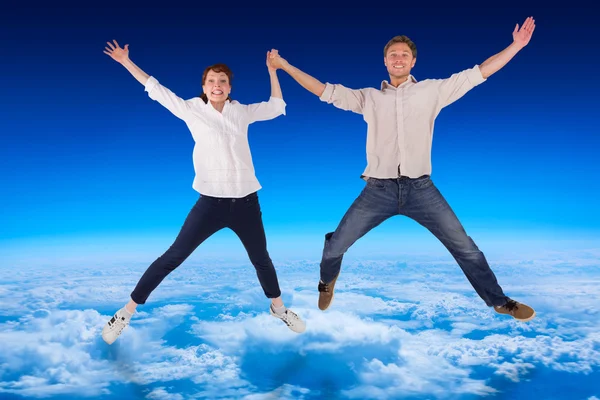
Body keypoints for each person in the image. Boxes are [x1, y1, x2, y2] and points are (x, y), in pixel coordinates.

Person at [267, 17, 537, 321]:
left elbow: (479, 73)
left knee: (466, 248)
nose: (399, 59)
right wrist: (285, 66)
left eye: (404, 55)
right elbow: (323, 91)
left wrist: (516, 46)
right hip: (377, 191)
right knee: (336, 246)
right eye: (393, 55)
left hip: (422, 190)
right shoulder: (369, 97)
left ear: (413, 61)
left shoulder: (433, 91)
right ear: (385, 62)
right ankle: (326, 282)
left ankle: (500, 301)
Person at [101, 40, 306, 345]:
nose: (217, 85)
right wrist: (126, 62)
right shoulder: (192, 110)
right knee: (174, 256)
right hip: (210, 203)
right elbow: (156, 89)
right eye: (211, 81)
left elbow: (277, 106)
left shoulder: (242, 112)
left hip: (247, 202)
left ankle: (279, 309)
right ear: (204, 86)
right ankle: (125, 313)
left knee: (261, 258)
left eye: (223, 81)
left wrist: (272, 70)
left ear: (229, 87)